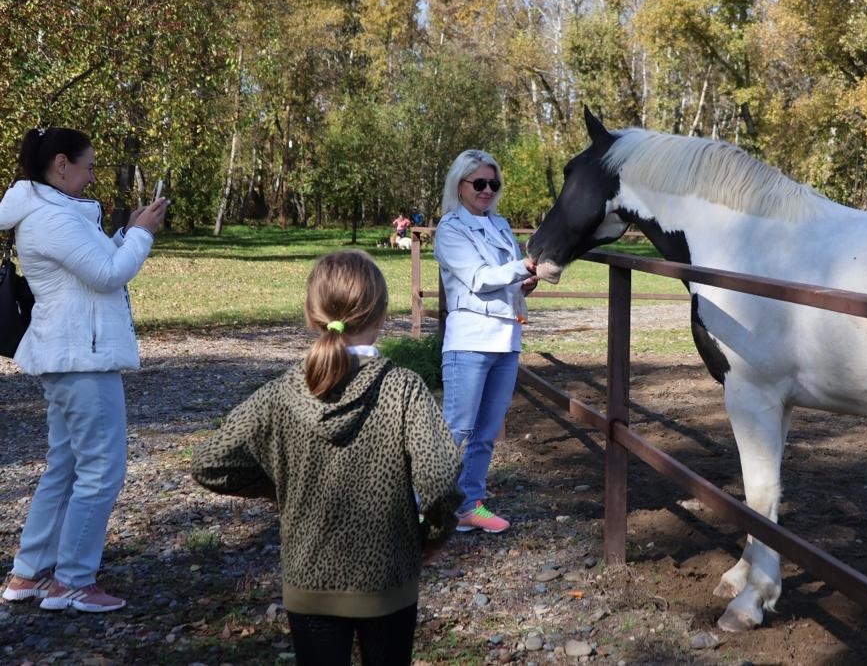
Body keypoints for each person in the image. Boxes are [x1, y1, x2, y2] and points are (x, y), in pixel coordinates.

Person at [192, 250, 461, 666]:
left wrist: (280, 486)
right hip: (387, 576)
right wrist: (433, 536)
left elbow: (210, 461)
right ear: (383, 314)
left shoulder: (282, 393)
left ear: (310, 313)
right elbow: (440, 478)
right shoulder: (403, 388)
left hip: (308, 579)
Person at [0, 127, 167, 612]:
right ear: (60, 164)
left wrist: (125, 232)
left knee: (67, 466)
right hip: (81, 356)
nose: (94, 175)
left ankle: (28, 574)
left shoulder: (52, 211)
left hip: (70, 353)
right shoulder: (53, 218)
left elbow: (95, 261)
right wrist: (141, 235)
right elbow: (108, 275)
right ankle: (72, 580)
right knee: (102, 469)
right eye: (89, 165)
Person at [435, 149, 537, 534]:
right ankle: (420, 502)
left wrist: (526, 281)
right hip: (471, 338)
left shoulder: (501, 225)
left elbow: (505, 277)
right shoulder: (451, 229)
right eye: (479, 183)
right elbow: (477, 278)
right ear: (459, 186)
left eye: (493, 184)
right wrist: (522, 267)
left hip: (506, 336)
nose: (487, 190)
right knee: (457, 427)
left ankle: (468, 504)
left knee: (487, 430)